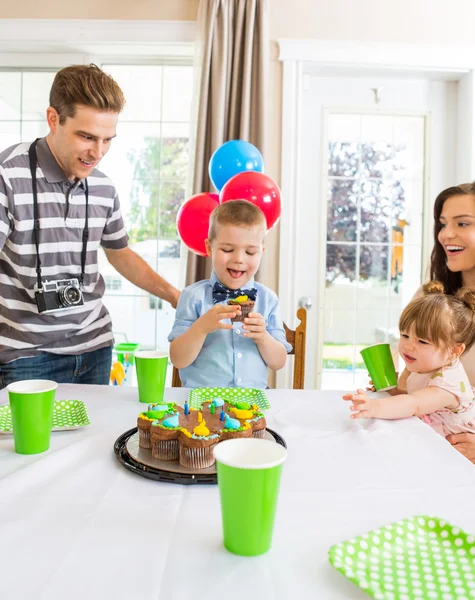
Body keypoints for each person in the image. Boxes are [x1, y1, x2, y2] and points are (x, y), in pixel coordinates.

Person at [0, 64, 179, 388]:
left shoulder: (103, 187)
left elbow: (120, 253)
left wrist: (174, 296)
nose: (98, 152)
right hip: (25, 357)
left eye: (107, 140)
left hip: (94, 349)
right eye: (87, 137)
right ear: (53, 119)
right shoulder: (7, 175)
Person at [168, 200, 291, 388]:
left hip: (252, 404)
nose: (239, 259)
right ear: (210, 248)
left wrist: (263, 337)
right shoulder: (192, 297)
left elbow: (278, 362)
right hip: (203, 404)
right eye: (227, 250)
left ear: (261, 252)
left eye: (250, 252)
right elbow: (178, 360)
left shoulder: (268, 300)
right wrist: (200, 328)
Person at [343, 282, 475, 440]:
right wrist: (394, 392)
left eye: (422, 341)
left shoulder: (447, 385)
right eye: (405, 335)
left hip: (456, 450)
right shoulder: (426, 366)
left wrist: (374, 407)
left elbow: (414, 404)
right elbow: (414, 396)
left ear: (453, 351)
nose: (408, 346)